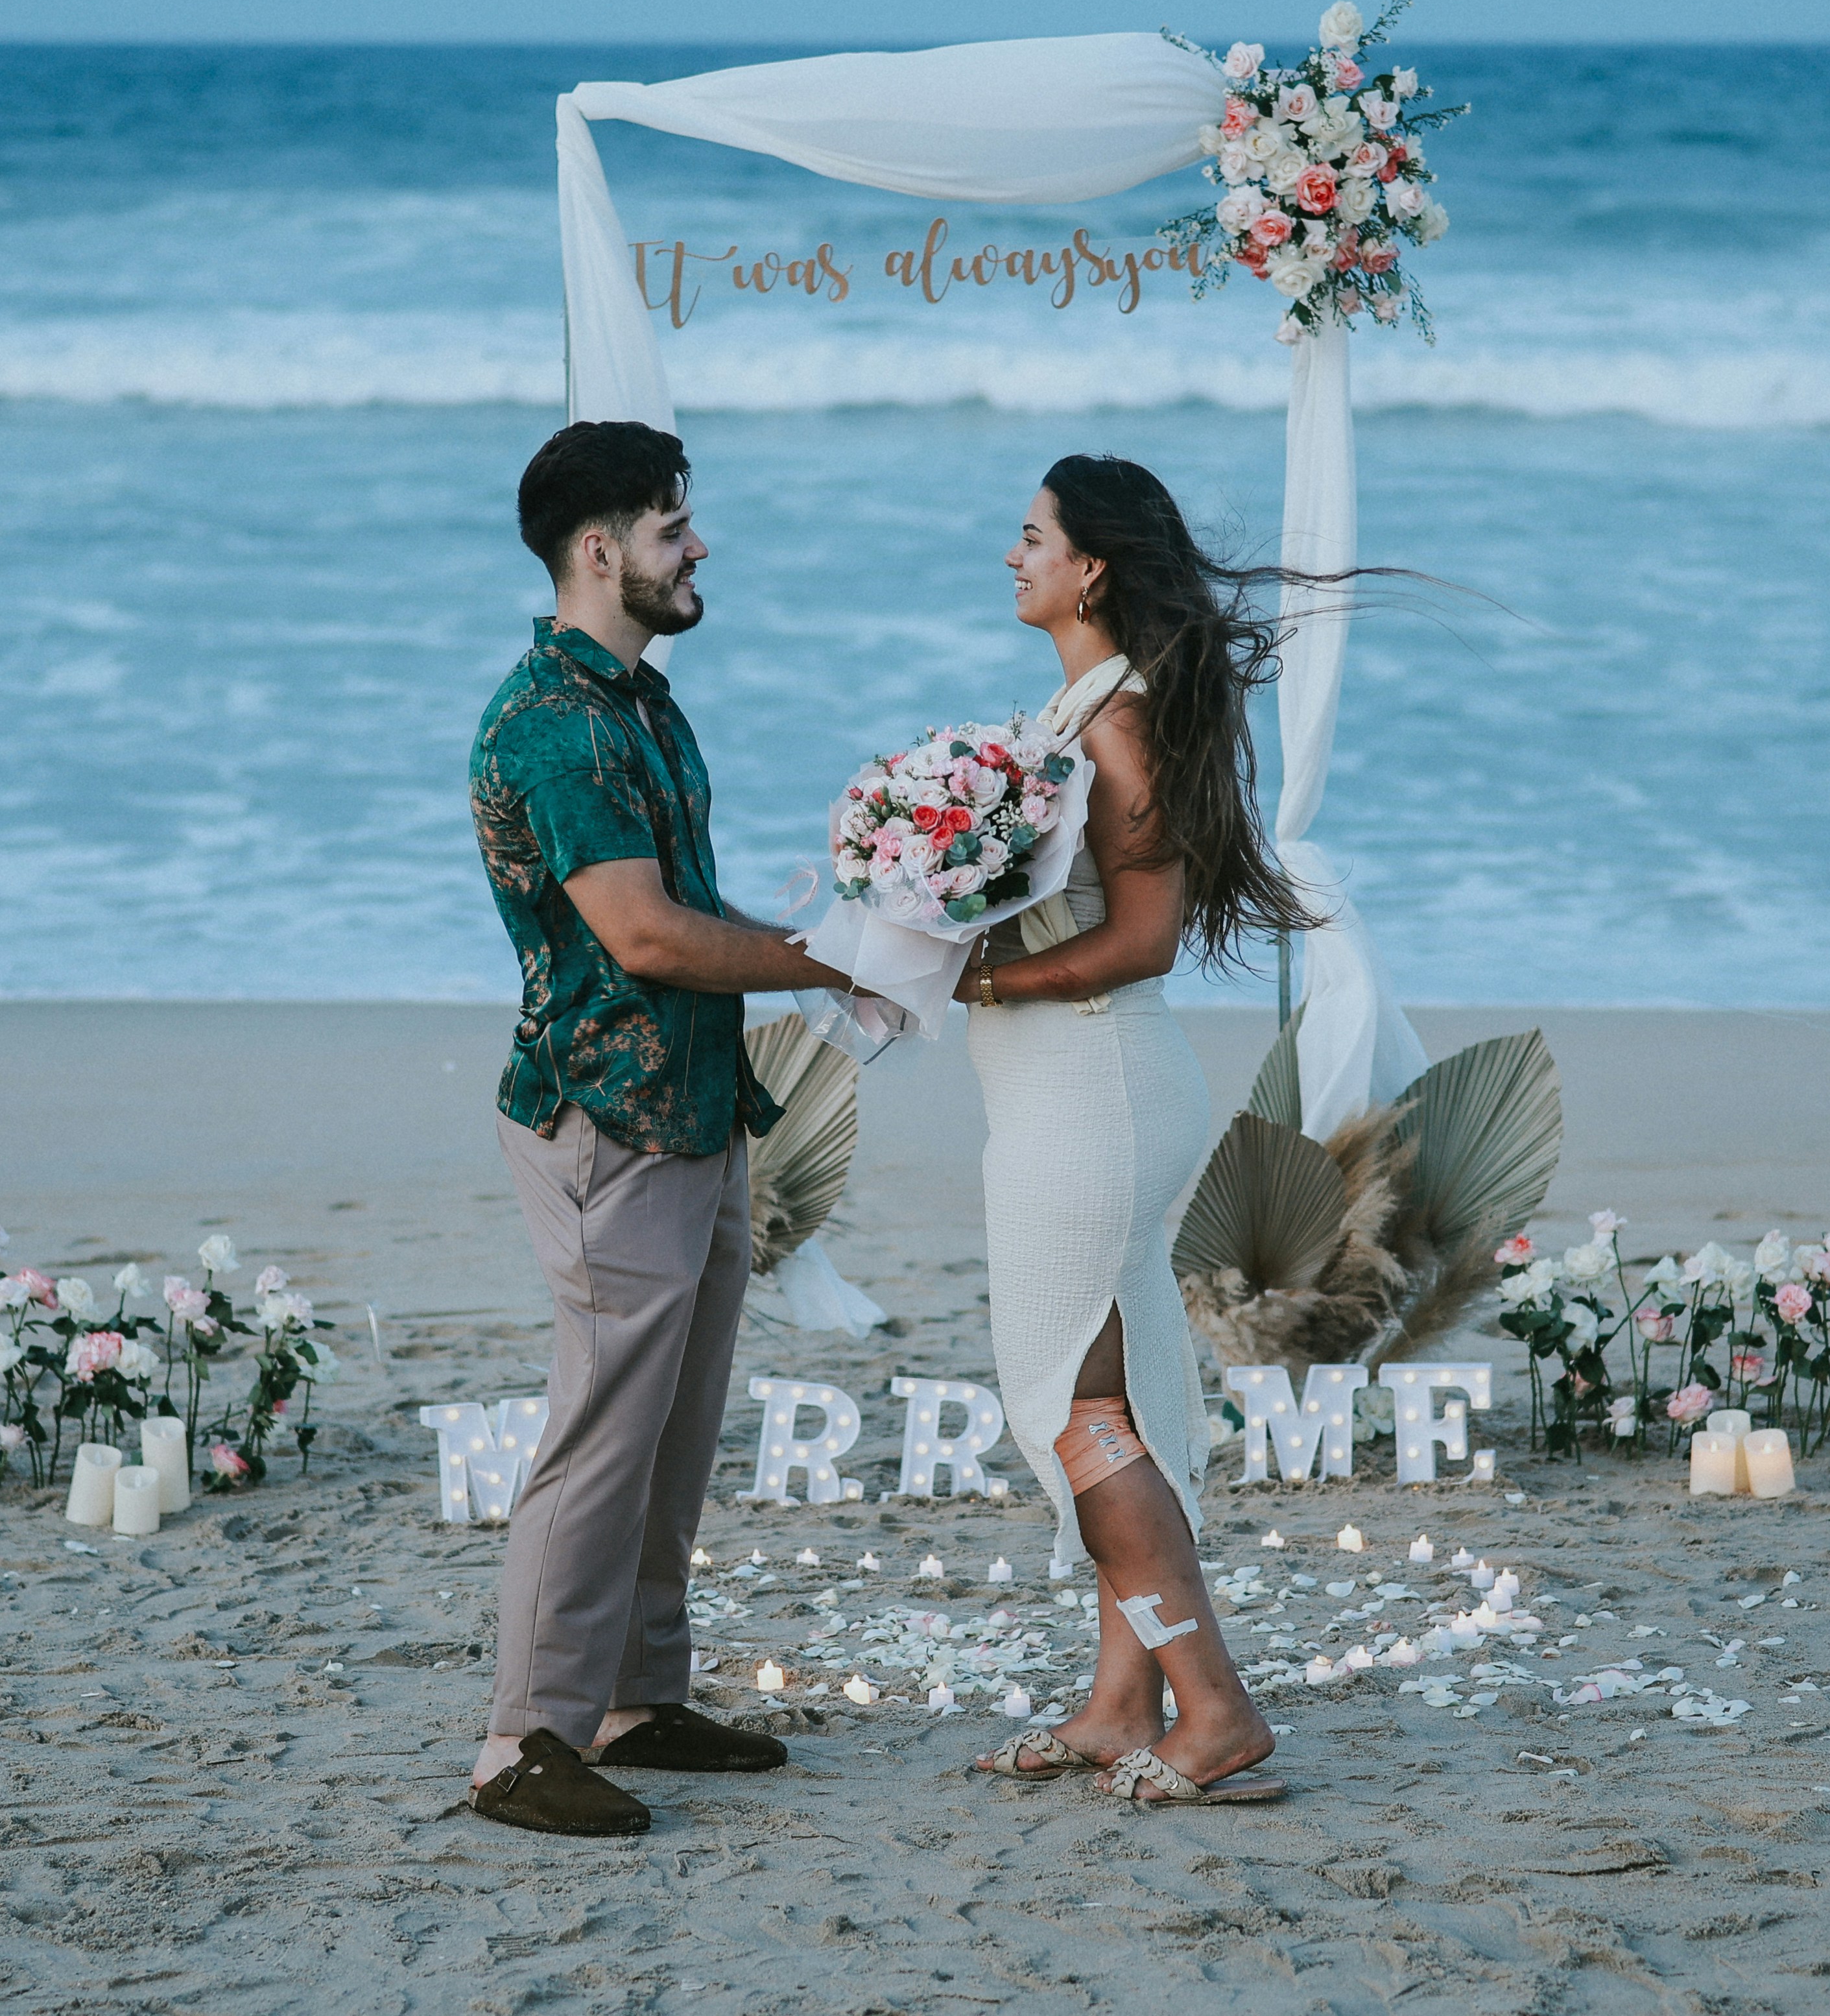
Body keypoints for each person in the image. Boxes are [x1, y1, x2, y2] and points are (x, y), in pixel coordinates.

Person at [462, 419, 864, 1838]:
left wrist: (849, 925)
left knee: (674, 1425)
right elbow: (638, 932)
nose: (697, 547)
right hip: (604, 1112)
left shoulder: (638, 698)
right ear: (598, 550)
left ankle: (632, 1697)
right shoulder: (556, 725)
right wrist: (824, 958)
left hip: (693, 1105)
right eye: (672, 527)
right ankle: (522, 1741)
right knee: (599, 1428)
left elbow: (688, 908)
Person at [961, 454, 1327, 1806]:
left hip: (1090, 1096)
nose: (1013, 557)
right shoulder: (1089, 702)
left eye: (1030, 535)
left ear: (1089, 567)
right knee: (1119, 1399)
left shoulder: (1110, 721)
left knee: (1070, 1406)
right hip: (1078, 1095)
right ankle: (1121, 1703)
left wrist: (982, 976)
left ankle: (1213, 1705)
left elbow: (1141, 935)